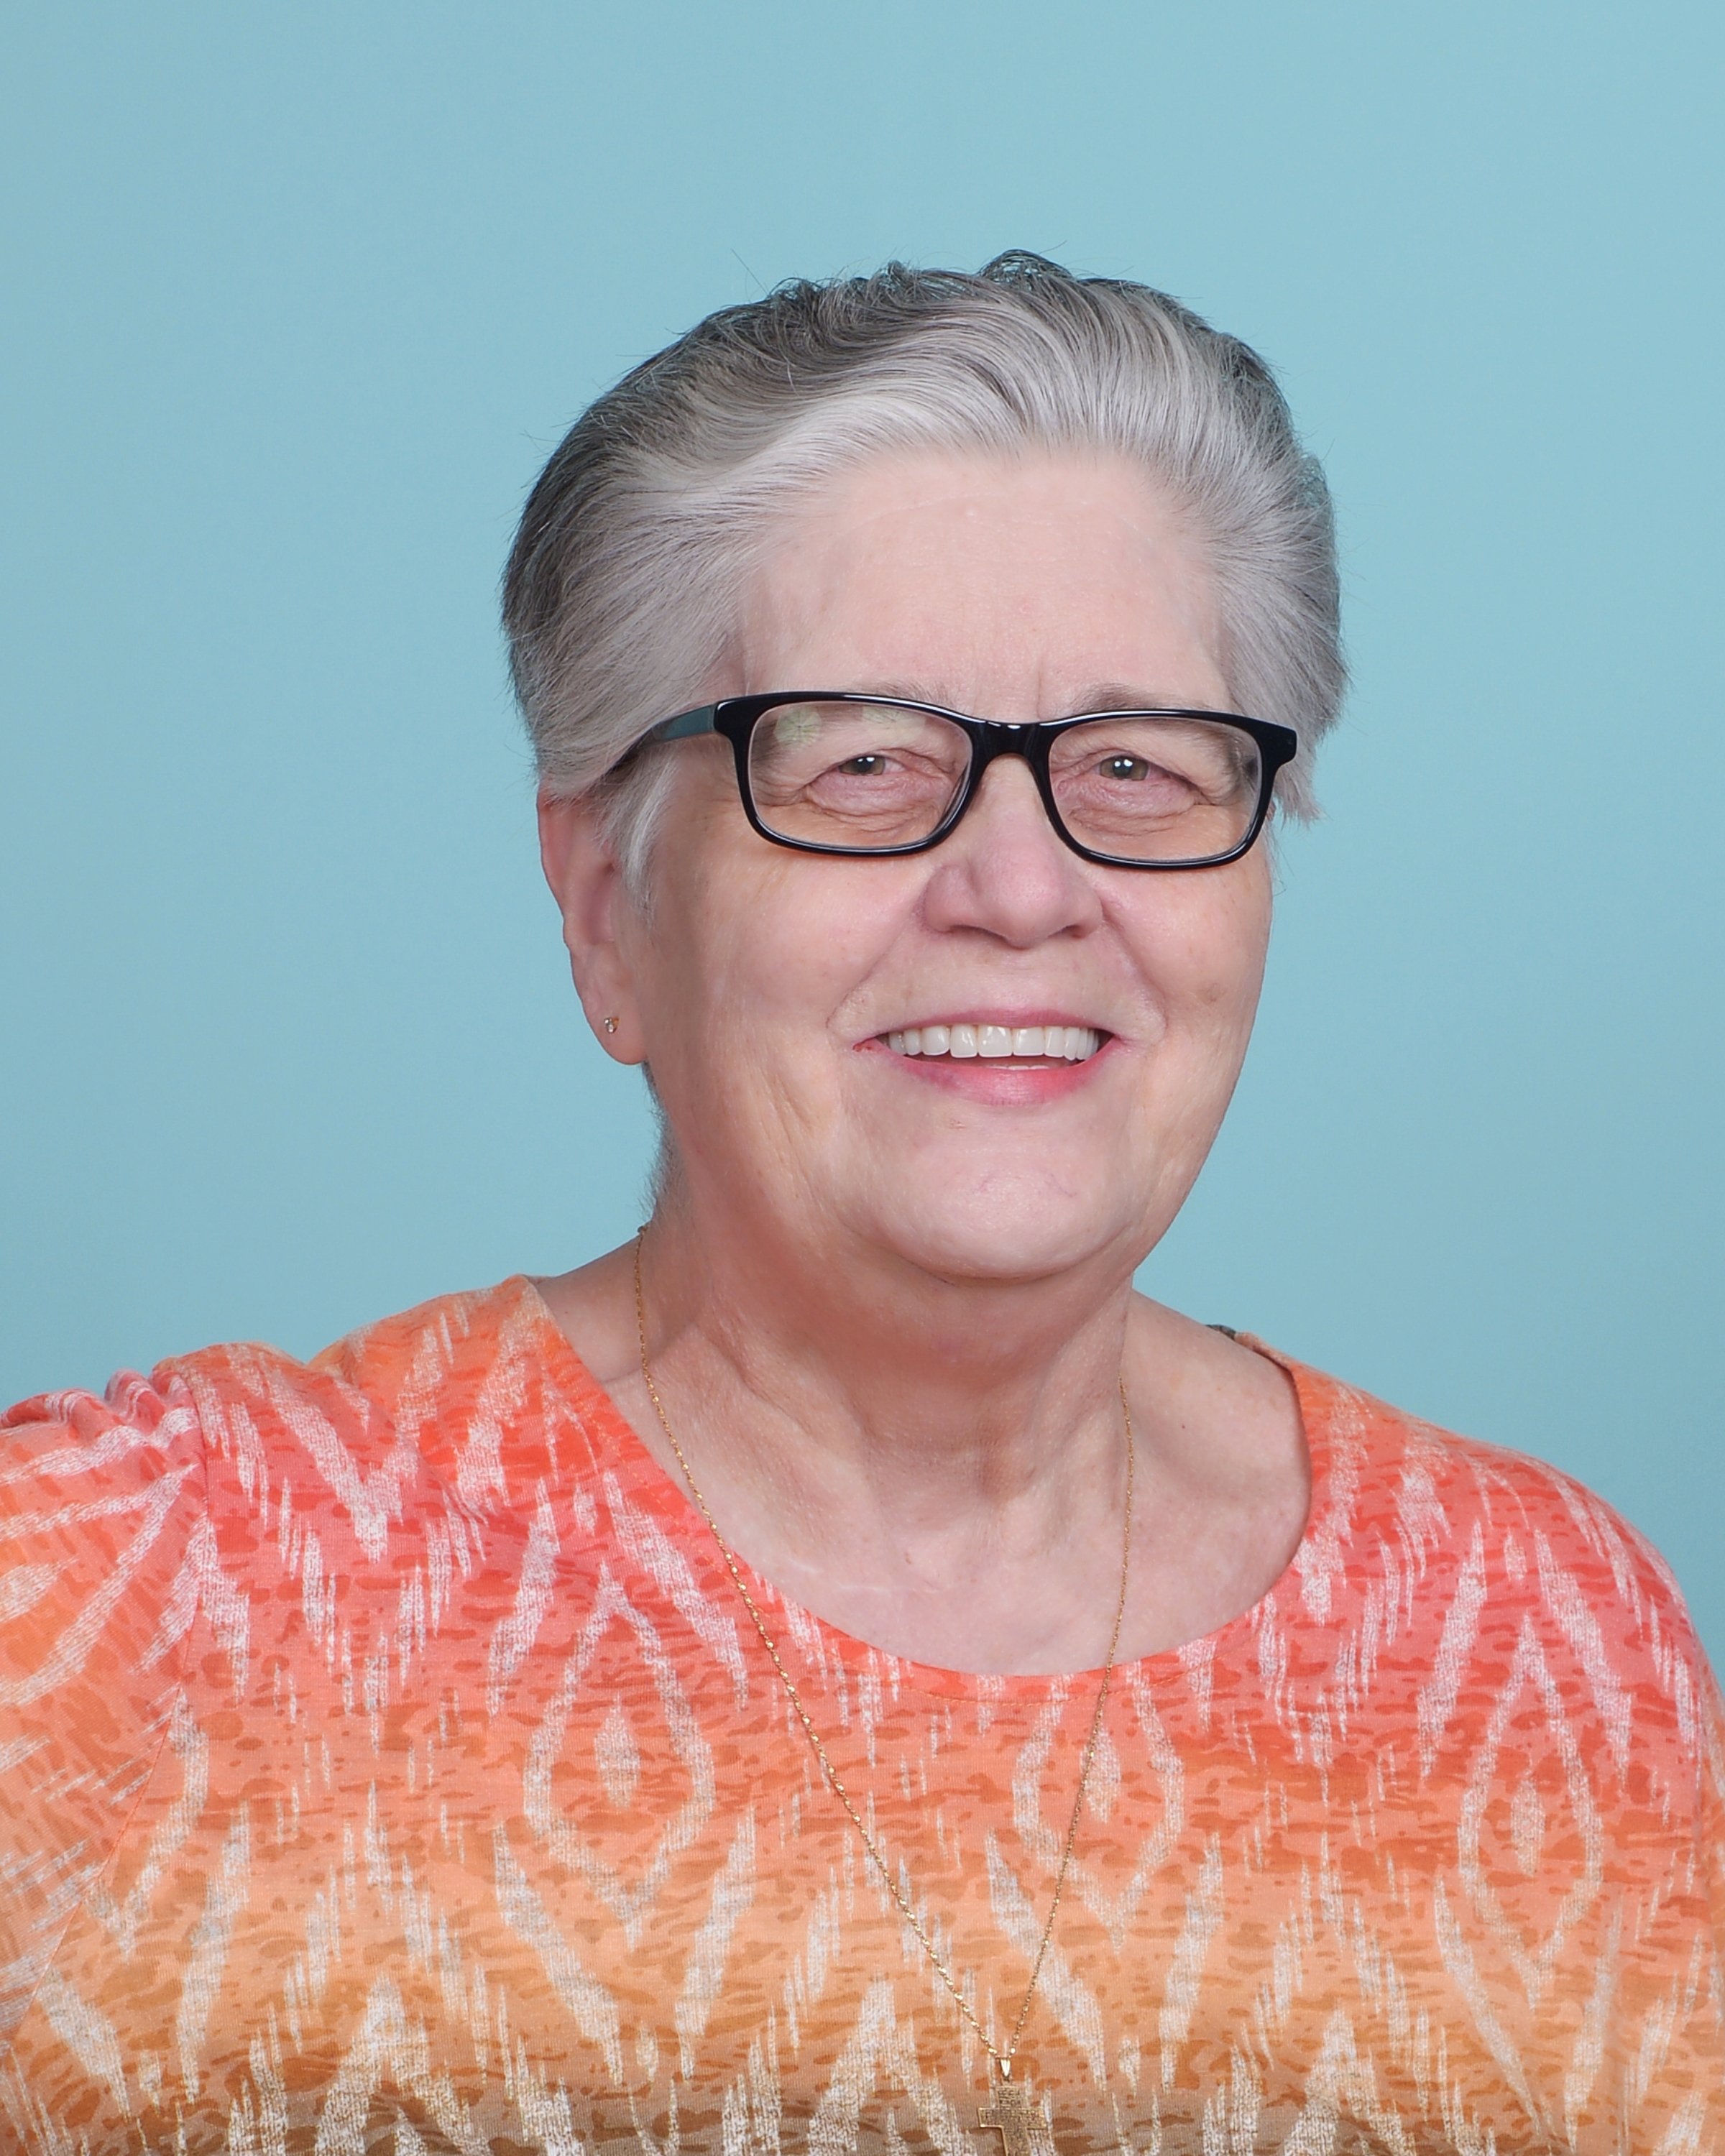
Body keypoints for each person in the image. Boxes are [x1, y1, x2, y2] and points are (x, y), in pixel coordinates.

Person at [1, 255, 1718, 2156]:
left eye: (1136, 767)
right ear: (610, 911)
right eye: (865, 763)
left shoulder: (1551, 1646)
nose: (1022, 886)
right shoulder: (144, 1609)